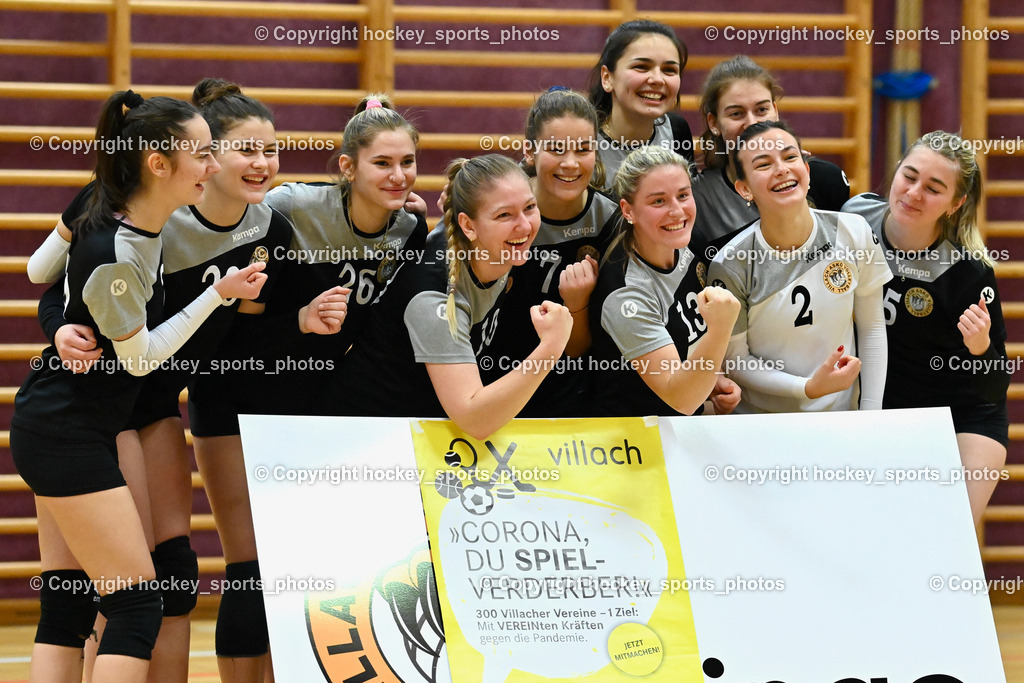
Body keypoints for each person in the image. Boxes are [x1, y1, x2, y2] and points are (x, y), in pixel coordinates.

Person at [11, 90, 266, 682]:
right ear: (158, 163)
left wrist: (67, 320)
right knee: (134, 604)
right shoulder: (117, 250)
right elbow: (142, 358)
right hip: (66, 428)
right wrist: (219, 294)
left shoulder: (120, 209)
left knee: (68, 602)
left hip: (69, 421)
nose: (213, 165)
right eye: (203, 154)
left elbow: (39, 271)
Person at [190, 91, 426, 680]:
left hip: (318, 408)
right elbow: (229, 334)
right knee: (250, 565)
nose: (398, 176)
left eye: (407, 163)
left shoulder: (411, 229)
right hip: (235, 394)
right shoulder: (287, 208)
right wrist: (297, 322)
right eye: (382, 163)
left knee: (308, 569)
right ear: (346, 166)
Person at [330, 154, 573, 438]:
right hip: (358, 435)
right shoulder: (434, 299)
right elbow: (474, 419)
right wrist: (551, 347)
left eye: (530, 207)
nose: (525, 226)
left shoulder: (486, 242)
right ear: (468, 226)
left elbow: (484, 189)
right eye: (504, 215)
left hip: (415, 431)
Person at [842, 131, 1009, 524]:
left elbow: (993, 386)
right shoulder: (853, 219)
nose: (914, 193)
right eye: (909, 176)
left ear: (956, 204)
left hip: (963, 415)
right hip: (881, 405)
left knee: (946, 539)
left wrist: (981, 347)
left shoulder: (967, 273)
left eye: (933, 188)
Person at [707, 120, 891, 413]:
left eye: (790, 157)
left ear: (806, 170)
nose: (782, 169)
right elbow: (735, 361)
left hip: (841, 418)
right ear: (744, 189)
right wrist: (806, 389)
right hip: (763, 425)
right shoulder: (730, 264)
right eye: (763, 164)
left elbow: (871, 327)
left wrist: (870, 413)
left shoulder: (853, 231)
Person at [476, 87, 619, 416]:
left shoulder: (610, 222)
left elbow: (579, 348)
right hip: (488, 382)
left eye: (583, 149)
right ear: (530, 151)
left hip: (569, 392)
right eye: (556, 149)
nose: (570, 163)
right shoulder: (496, 210)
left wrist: (578, 306)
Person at [587, 146, 741, 416]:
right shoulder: (626, 294)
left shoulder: (688, 240)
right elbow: (681, 398)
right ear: (628, 210)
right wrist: (720, 330)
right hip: (635, 440)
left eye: (683, 195)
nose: (677, 211)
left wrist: (709, 380)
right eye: (658, 201)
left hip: (679, 425)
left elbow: (684, 362)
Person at [692, 55, 851, 246]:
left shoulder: (825, 179)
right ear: (714, 122)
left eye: (761, 110)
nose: (751, 122)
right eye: (736, 114)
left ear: (775, 111)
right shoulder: (696, 197)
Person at [586, 19, 695, 196]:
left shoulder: (677, 130)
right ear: (607, 78)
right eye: (641, 67)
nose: (657, 79)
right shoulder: (580, 137)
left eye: (669, 70)